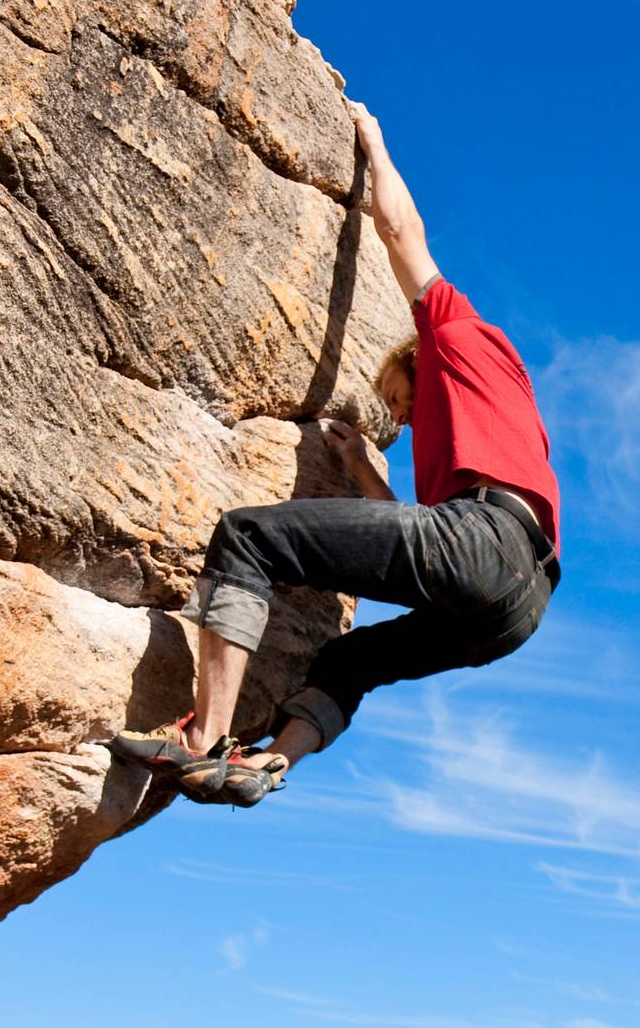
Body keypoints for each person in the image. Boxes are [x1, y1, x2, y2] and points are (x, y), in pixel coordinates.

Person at [110, 100, 561, 806]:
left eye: (397, 398)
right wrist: (357, 467)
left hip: (485, 543)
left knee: (248, 535)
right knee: (352, 658)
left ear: (422, 358)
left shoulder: (455, 334)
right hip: (519, 604)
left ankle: (203, 740)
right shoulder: (503, 411)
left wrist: (375, 143)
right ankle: (269, 766)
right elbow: (418, 547)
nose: (401, 418)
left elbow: (400, 230)